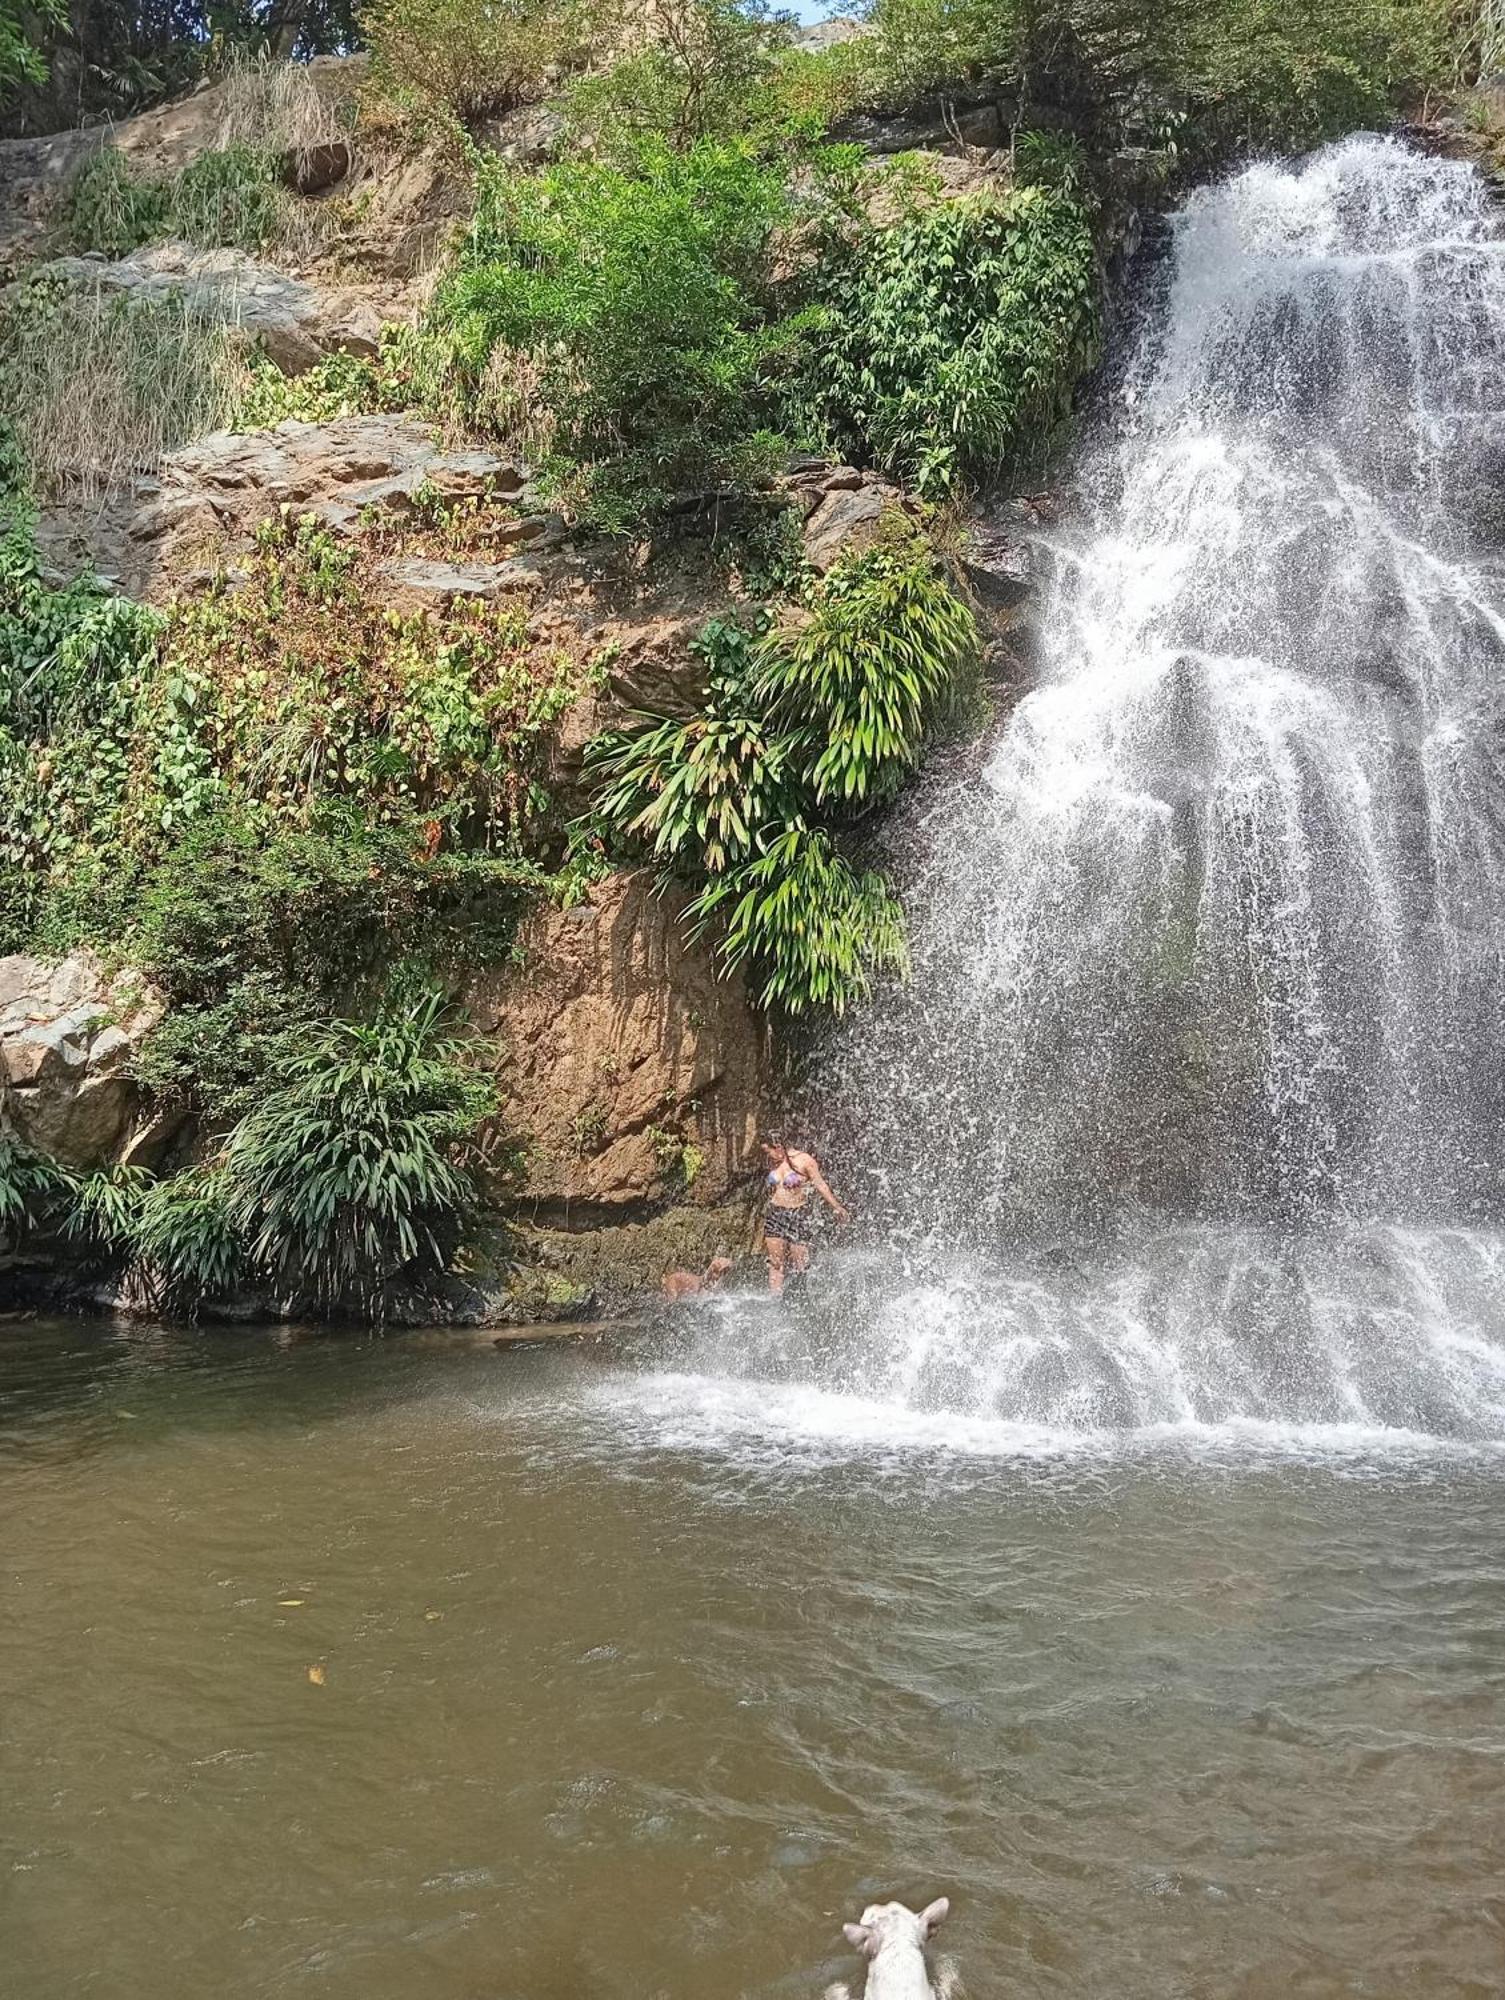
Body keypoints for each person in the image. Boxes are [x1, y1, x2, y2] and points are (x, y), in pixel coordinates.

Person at [761, 1131, 850, 1296]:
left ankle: (804, 1297)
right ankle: (774, 1300)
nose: (768, 1156)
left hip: (797, 1214)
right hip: (775, 1214)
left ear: (779, 1147)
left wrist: (836, 1206)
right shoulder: (773, 1162)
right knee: (775, 1262)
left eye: (768, 1151)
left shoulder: (805, 1160)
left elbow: (820, 1184)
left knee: (800, 1263)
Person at [661, 1255, 734, 1302]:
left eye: (724, 1273)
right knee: (671, 1303)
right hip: (673, 1283)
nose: (719, 1277)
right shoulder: (703, 1285)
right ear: (711, 1272)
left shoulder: (710, 1286)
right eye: (719, 1273)